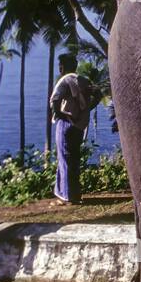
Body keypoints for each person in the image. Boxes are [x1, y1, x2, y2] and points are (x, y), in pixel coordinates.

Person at [49, 54, 99, 206]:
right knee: (74, 159)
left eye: (60, 65)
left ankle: (68, 196)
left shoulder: (65, 81)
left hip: (66, 124)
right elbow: (98, 94)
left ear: (63, 66)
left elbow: (55, 101)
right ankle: (73, 194)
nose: (59, 68)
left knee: (65, 159)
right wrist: (86, 110)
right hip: (78, 126)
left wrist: (61, 115)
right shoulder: (83, 81)